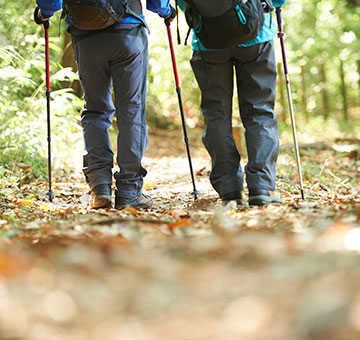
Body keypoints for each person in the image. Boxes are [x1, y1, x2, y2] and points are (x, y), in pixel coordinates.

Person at [34, 0, 176, 209]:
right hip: (128, 32)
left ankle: (99, 186)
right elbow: (156, 4)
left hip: (86, 36)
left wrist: (43, 13)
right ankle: (129, 191)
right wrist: (167, 11)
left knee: (95, 110)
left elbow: (52, 4)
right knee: (131, 112)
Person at [178, 0, 286, 207]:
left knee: (216, 115)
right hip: (257, 35)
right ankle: (261, 188)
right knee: (260, 111)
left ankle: (229, 191)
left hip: (208, 41)